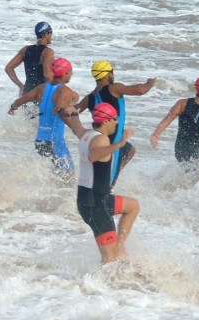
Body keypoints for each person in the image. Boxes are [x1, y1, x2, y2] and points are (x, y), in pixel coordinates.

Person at [75, 102, 140, 264]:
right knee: (109, 259)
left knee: (132, 206)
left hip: (96, 198)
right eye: (114, 119)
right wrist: (119, 144)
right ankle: (103, 280)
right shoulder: (101, 139)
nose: (117, 122)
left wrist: (68, 111)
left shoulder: (86, 134)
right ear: (105, 121)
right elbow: (93, 155)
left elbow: (74, 126)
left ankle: (120, 247)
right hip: (95, 205)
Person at [83, 60, 157, 186]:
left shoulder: (90, 97)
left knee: (130, 150)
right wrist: (149, 84)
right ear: (106, 75)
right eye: (112, 72)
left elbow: (73, 111)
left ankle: (111, 173)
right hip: (113, 144)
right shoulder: (113, 88)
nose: (113, 75)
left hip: (99, 140)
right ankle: (110, 178)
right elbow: (139, 90)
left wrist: (61, 109)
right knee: (108, 184)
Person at [9, 57, 79, 176]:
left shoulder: (42, 88)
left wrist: (13, 107)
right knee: (69, 174)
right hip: (54, 141)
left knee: (57, 173)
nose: (72, 74)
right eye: (70, 71)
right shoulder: (65, 91)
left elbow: (20, 101)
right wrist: (76, 128)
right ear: (64, 73)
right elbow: (58, 110)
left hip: (40, 141)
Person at [150, 75, 199, 175]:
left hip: (179, 150)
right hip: (195, 151)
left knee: (188, 174)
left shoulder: (182, 103)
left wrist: (156, 135)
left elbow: (168, 118)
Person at [5, 21, 55, 95]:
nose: (51, 35)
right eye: (50, 32)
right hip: (41, 93)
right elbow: (48, 76)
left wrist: (21, 86)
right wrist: (54, 91)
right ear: (45, 35)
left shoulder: (25, 50)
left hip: (27, 92)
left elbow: (8, 68)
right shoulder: (48, 52)